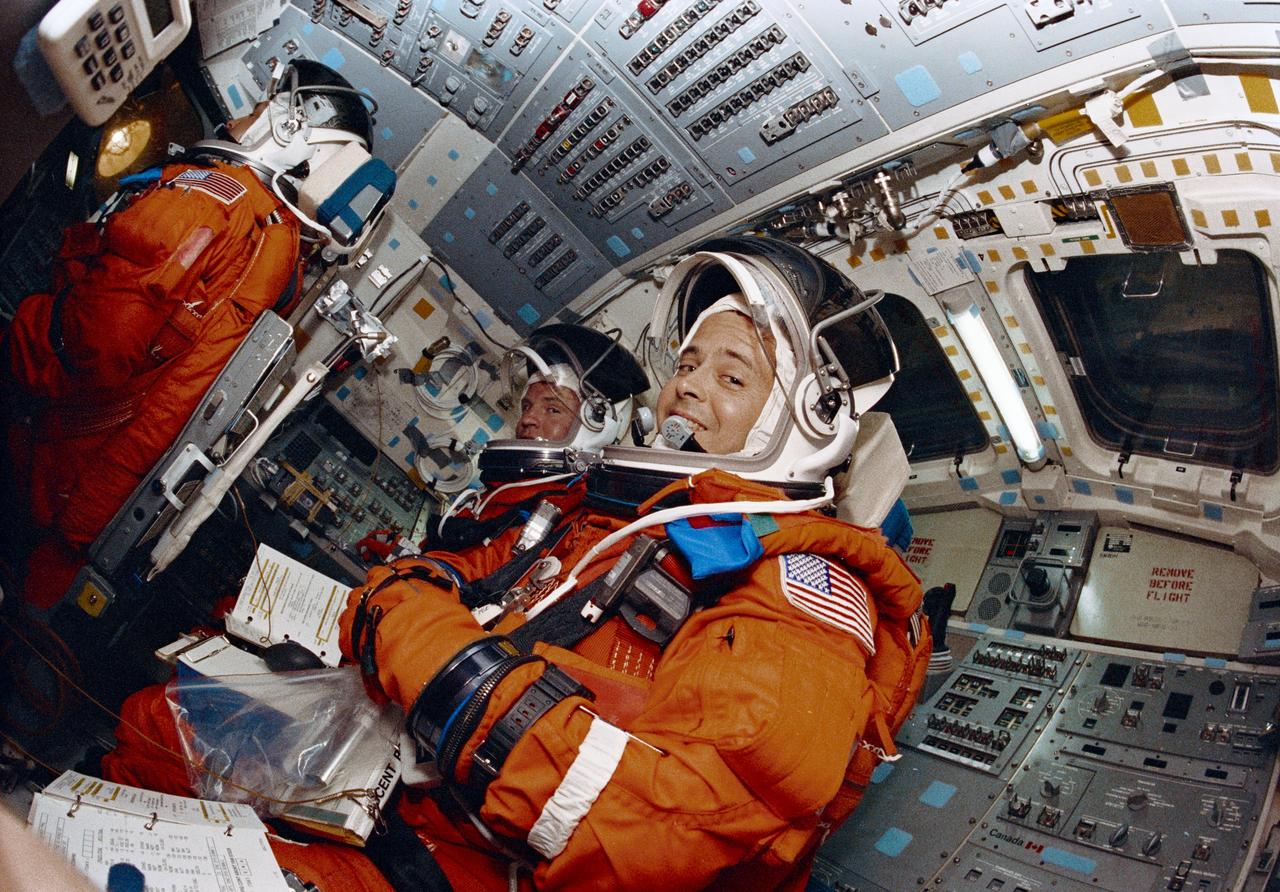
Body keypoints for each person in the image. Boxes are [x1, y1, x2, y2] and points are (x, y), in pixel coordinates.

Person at [102, 237, 927, 891]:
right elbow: (480, 581)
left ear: (807, 424)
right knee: (152, 723)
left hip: (484, 862)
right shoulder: (634, 522)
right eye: (688, 363)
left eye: (732, 374)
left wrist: (429, 648)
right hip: (427, 798)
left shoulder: (801, 601)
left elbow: (655, 829)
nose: (686, 388)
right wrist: (416, 599)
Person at [1, 58, 394, 608]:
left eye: (262, 105)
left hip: (46, 450)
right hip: (89, 490)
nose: (244, 113)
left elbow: (95, 344)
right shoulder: (280, 247)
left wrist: (27, 319)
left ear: (287, 128)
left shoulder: (209, 195)